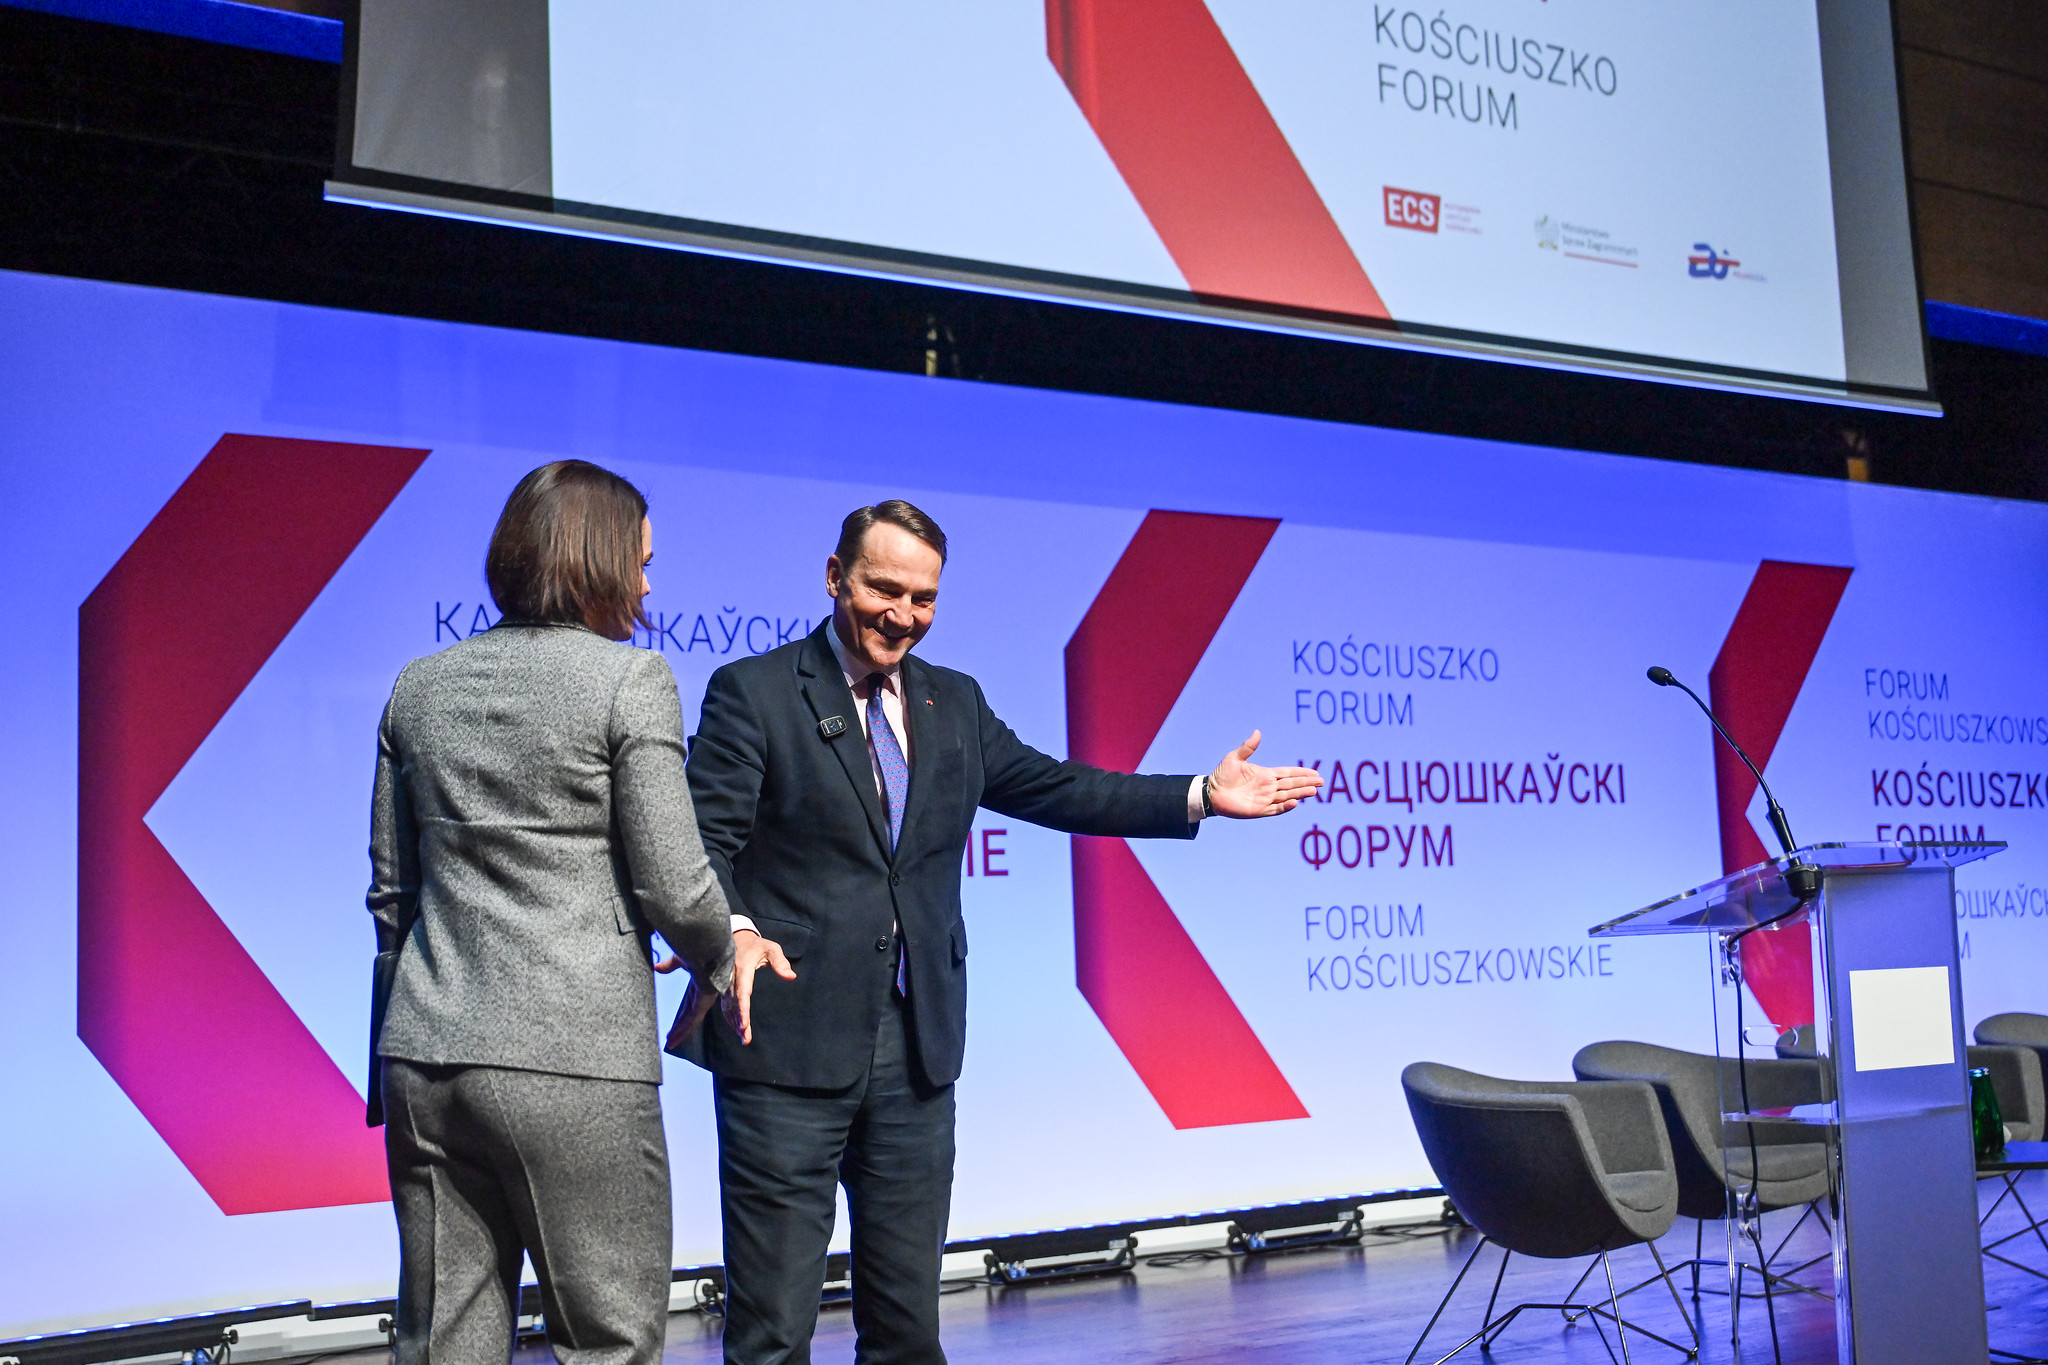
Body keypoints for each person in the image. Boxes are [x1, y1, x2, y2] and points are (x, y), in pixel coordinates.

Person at [669, 500, 1321, 1365]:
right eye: (884, 589)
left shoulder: (954, 702)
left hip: (917, 1053)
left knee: (908, 1334)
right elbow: (699, 842)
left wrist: (1199, 793)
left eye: (924, 598)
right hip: (785, 1044)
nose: (903, 615)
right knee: (773, 1337)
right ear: (834, 577)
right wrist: (735, 926)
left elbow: (1060, 788)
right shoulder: (754, 692)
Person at [367, 460, 736, 1365]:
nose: (647, 585)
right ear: (597, 559)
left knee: (442, 1344)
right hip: (573, 1056)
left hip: (425, 1055)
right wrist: (726, 949)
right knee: (609, 1341)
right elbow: (674, 884)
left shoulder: (418, 684)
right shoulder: (630, 680)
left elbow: (392, 894)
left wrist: (404, 1031)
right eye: (641, 562)